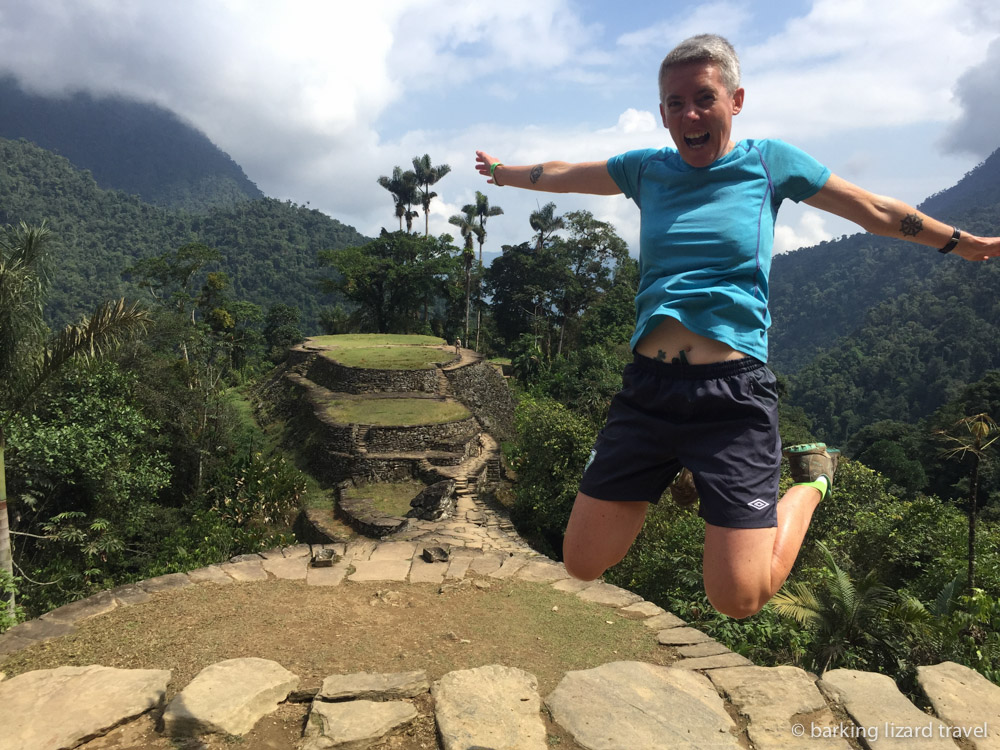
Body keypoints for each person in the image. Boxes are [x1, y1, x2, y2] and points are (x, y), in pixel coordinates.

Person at [474, 34, 1000, 619]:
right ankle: (686, 468)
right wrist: (506, 173)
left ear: (736, 99)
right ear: (662, 113)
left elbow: (874, 209)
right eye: (675, 103)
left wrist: (961, 243)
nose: (690, 115)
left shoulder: (768, 163)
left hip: (732, 397)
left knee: (738, 599)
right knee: (582, 561)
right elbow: (568, 172)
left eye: (704, 98)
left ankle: (813, 482)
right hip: (648, 391)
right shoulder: (647, 169)